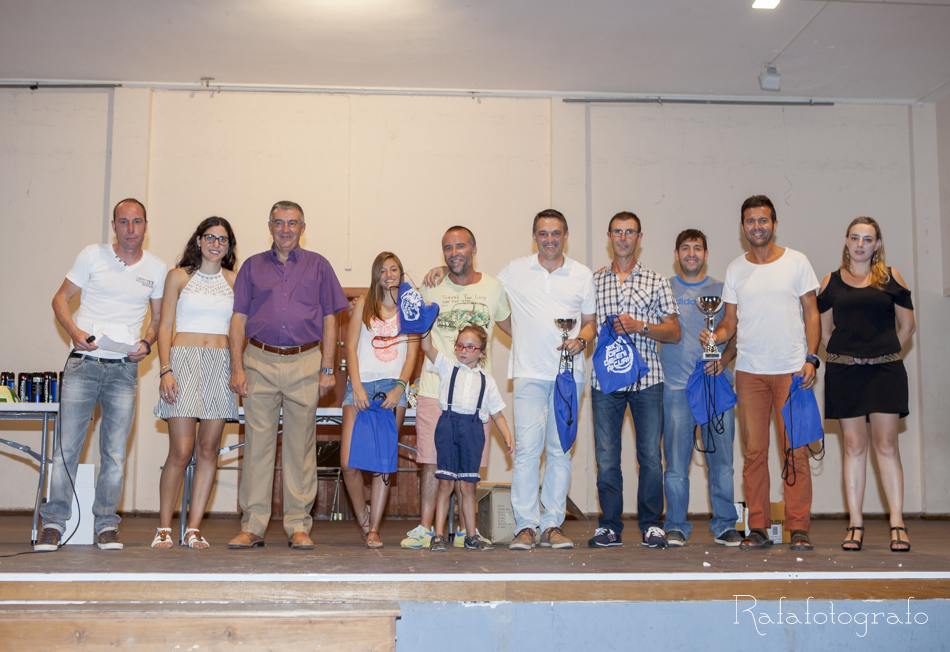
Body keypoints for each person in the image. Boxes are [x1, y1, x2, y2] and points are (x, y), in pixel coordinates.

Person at [35, 198, 167, 552]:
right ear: (113, 226)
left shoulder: (156, 268)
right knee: (66, 448)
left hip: (124, 370)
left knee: (115, 453)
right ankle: (53, 523)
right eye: (123, 222)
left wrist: (147, 342)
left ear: (146, 225)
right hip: (83, 364)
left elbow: (158, 320)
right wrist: (74, 331)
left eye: (136, 221)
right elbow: (60, 299)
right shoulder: (92, 255)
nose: (130, 229)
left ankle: (106, 524)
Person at [701, 195, 821, 551]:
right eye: (751, 221)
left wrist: (812, 358)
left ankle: (798, 527)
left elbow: (812, 314)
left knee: (795, 451)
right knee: (754, 453)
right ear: (743, 227)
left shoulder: (797, 262)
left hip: (792, 373)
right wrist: (716, 337)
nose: (757, 226)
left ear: (774, 224)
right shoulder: (735, 270)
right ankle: (757, 527)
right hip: (750, 373)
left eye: (763, 220)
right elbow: (730, 322)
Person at [227, 201, 348, 551]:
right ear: (270, 226)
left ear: (302, 228)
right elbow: (238, 319)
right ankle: (252, 526)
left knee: (301, 448)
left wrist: (328, 367)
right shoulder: (251, 266)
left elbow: (331, 318)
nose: (285, 229)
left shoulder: (319, 266)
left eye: (292, 223)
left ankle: (298, 525)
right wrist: (237, 366)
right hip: (259, 361)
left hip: (306, 362)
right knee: (257, 447)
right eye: (279, 223)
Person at [403, 226, 511, 550]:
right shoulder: (431, 284)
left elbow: (515, 327)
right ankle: (427, 529)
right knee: (432, 463)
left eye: (460, 246)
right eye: (448, 248)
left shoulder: (494, 288)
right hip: (434, 390)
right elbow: (411, 318)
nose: (454, 253)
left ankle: (467, 531)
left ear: (474, 249)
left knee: (469, 470)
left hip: (475, 400)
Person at [496, 209, 597, 551]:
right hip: (528, 374)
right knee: (527, 451)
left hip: (569, 377)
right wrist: (441, 273)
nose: (549, 240)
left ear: (565, 235)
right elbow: (488, 297)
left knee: (559, 451)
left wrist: (580, 341)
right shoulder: (515, 270)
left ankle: (552, 524)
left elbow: (590, 323)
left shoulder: (582, 274)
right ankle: (526, 526)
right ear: (534, 237)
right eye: (543, 233)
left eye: (556, 233)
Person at [817, 217, 916, 552]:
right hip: (845, 375)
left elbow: (907, 327)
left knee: (886, 446)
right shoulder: (830, 281)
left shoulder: (892, 278)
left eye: (868, 239)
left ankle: (897, 522)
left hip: (885, 373)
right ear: (847, 241)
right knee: (853, 446)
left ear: (877, 244)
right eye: (855, 238)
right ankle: (855, 524)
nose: (861, 244)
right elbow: (824, 332)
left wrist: (881, 354)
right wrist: (848, 357)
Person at [587, 212, 681, 549]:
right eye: (618, 232)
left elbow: (674, 332)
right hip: (605, 382)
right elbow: (584, 323)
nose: (623, 238)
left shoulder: (657, 281)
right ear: (609, 236)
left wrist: (640, 326)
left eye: (630, 232)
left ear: (639, 237)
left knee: (651, 457)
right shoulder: (593, 281)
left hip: (647, 380)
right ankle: (609, 526)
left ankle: (652, 524)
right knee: (606, 458)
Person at [152, 217, 239, 549]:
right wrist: (165, 369)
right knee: (181, 450)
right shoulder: (178, 276)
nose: (216, 244)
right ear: (199, 240)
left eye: (223, 239)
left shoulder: (235, 281)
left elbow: (240, 330)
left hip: (220, 365)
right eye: (210, 237)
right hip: (182, 362)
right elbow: (164, 326)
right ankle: (164, 527)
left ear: (229, 246)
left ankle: (193, 528)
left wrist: (237, 369)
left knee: (208, 450)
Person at [659, 229, 742, 548]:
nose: (691, 253)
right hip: (676, 388)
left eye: (697, 248)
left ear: (706, 254)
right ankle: (676, 525)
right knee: (675, 466)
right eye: (685, 248)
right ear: (676, 254)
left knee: (722, 464)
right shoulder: (664, 288)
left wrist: (724, 360)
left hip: (714, 387)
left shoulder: (721, 290)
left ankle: (725, 524)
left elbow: (735, 335)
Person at [341, 252, 419, 548]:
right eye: (383, 270)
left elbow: (412, 355)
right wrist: (357, 386)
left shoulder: (410, 309)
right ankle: (363, 517)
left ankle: (373, 529)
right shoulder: (363, 304)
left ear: (401, 272)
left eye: (394, 269)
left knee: (383, 462)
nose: (389, 274)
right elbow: (350, 348)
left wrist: (400, 388)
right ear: (376, 275)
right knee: (348, 462)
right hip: (360, 386)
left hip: (392, 388)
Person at [419, 324, 514, 552]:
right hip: (448, 426)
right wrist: (425, 325)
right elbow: (427, 347)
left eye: (470, 347)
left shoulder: (487, 381)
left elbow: (497, 413)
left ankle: (471, 536)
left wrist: (507, 435)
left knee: (469, 486)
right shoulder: (447, 367)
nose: (463, 350)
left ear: (482, 352)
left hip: (473, 431)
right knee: (445, 484)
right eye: (460, 345)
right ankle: (438, 535)